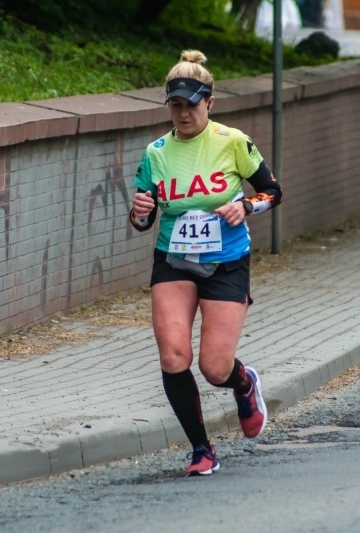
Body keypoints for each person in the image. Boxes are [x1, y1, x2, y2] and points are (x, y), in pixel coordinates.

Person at [129, 49, 283, 476]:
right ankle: (201, 449)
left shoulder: (232, 142)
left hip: (226, 262)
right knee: (174, 356)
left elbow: (273, 191)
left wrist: (246, 206)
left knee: (214, 367)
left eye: (191, 105)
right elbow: (142, 219)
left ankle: (244, 383)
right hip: (174, 261)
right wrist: (140, 212)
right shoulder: (156, 153)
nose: (183, 114)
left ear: (209, 103)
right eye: (175, 105)